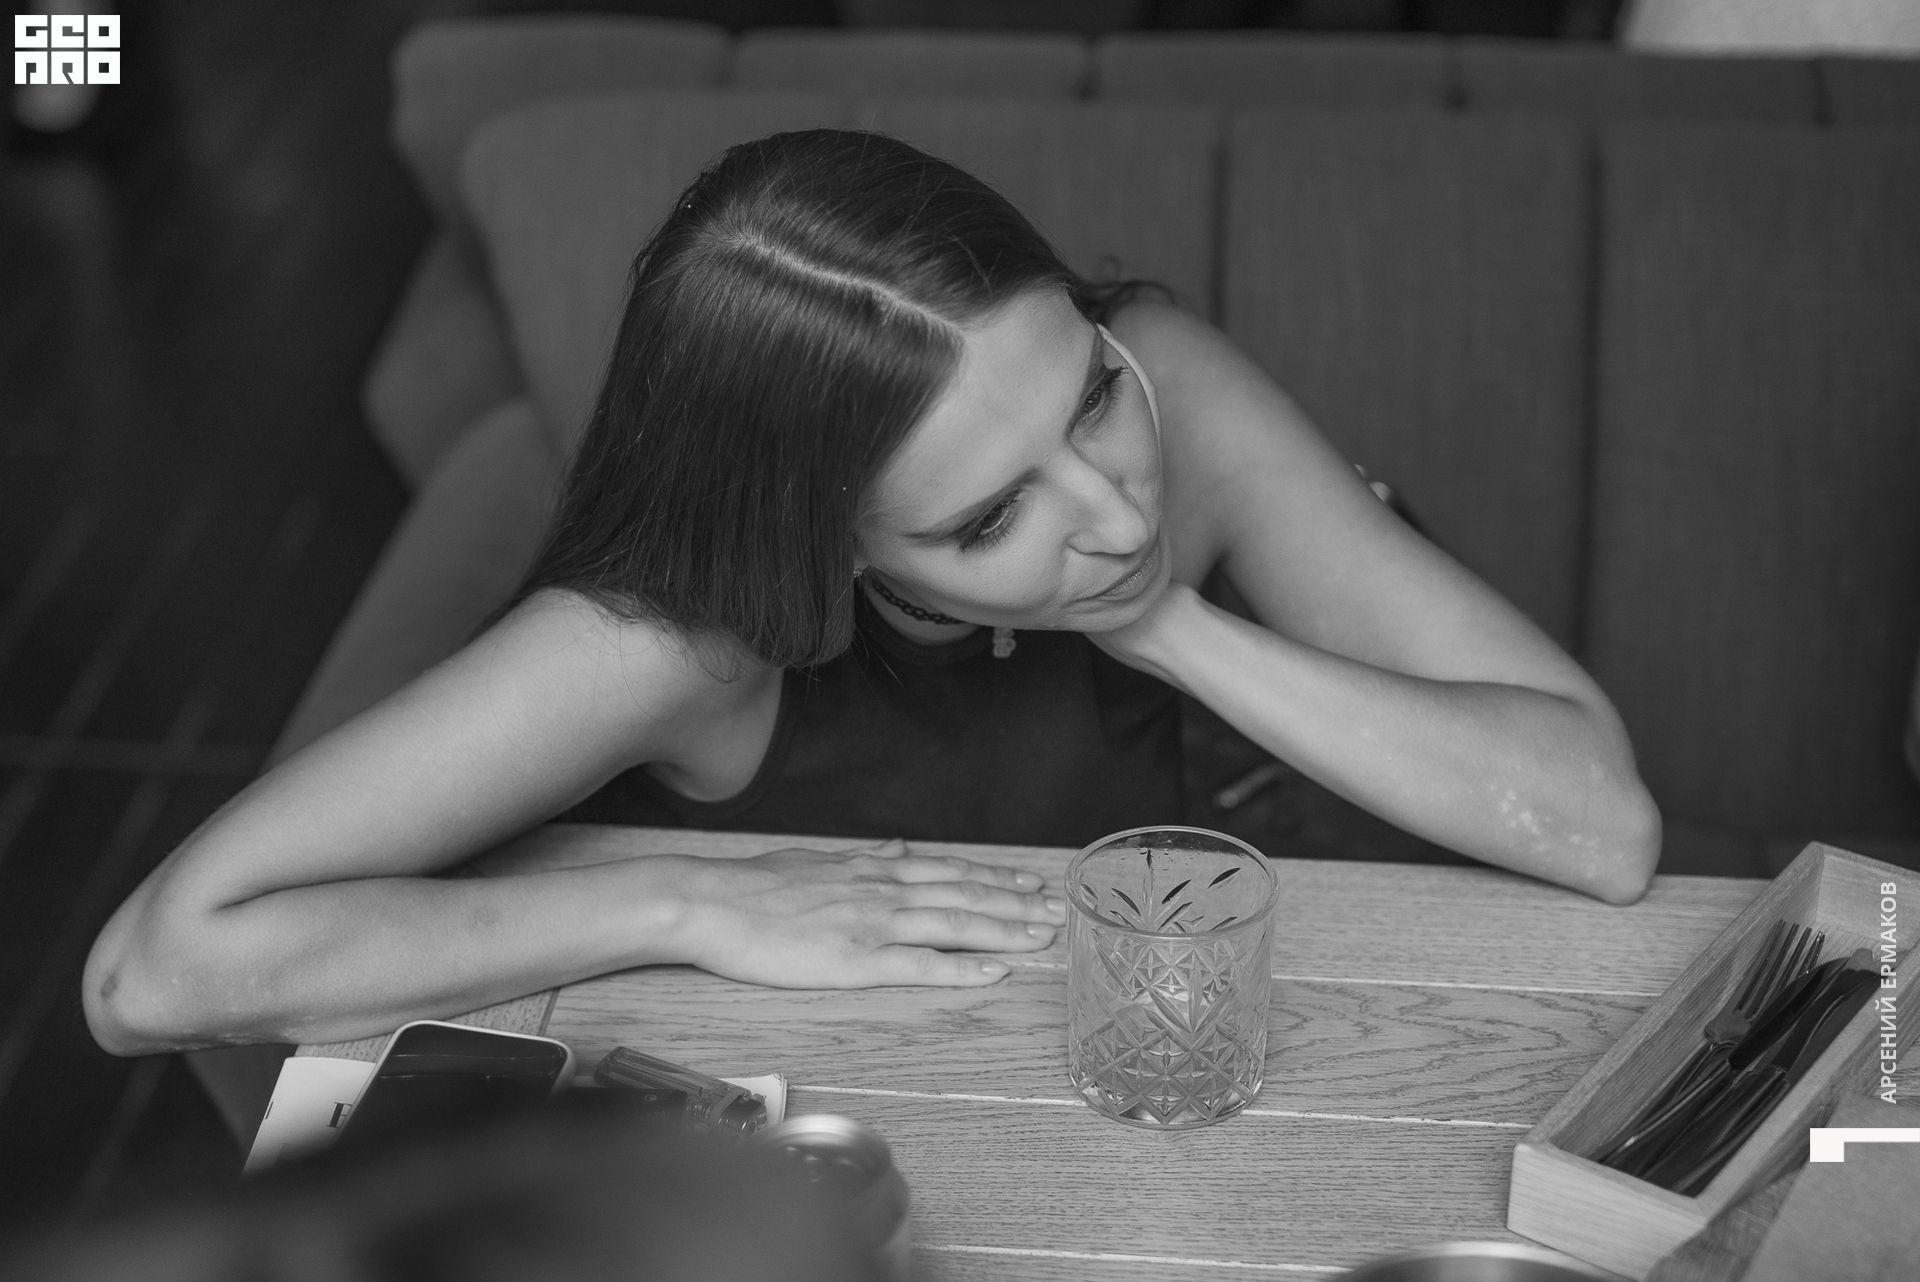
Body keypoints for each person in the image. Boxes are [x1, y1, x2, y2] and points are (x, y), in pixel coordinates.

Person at [83, 128, 1661, 1059]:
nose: (1115, 508)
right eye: (990, 518)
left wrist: (1165, 619)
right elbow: (150, 972)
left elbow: (1599, 823)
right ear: (829, 549)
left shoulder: (1167, 381)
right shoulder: (686, 634)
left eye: (1088, 397)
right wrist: (685, 903)